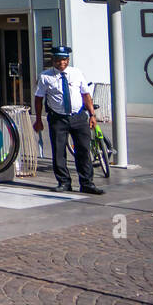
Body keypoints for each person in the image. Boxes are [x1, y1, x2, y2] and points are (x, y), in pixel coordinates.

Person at [32, 45, 100, 194]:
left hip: (78, 117)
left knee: (83, 150)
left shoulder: (77, 73)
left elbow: (86, 95)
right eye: (58, 60)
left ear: (68, 60)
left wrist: (92, 115)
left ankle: (87, 183)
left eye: (64, 59)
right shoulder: (45, 77)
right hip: (58, 118)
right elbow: (38, 99)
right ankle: (64, 182)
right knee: (59, 152)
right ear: (53, 60)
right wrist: (38, 119)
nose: (62, 63)